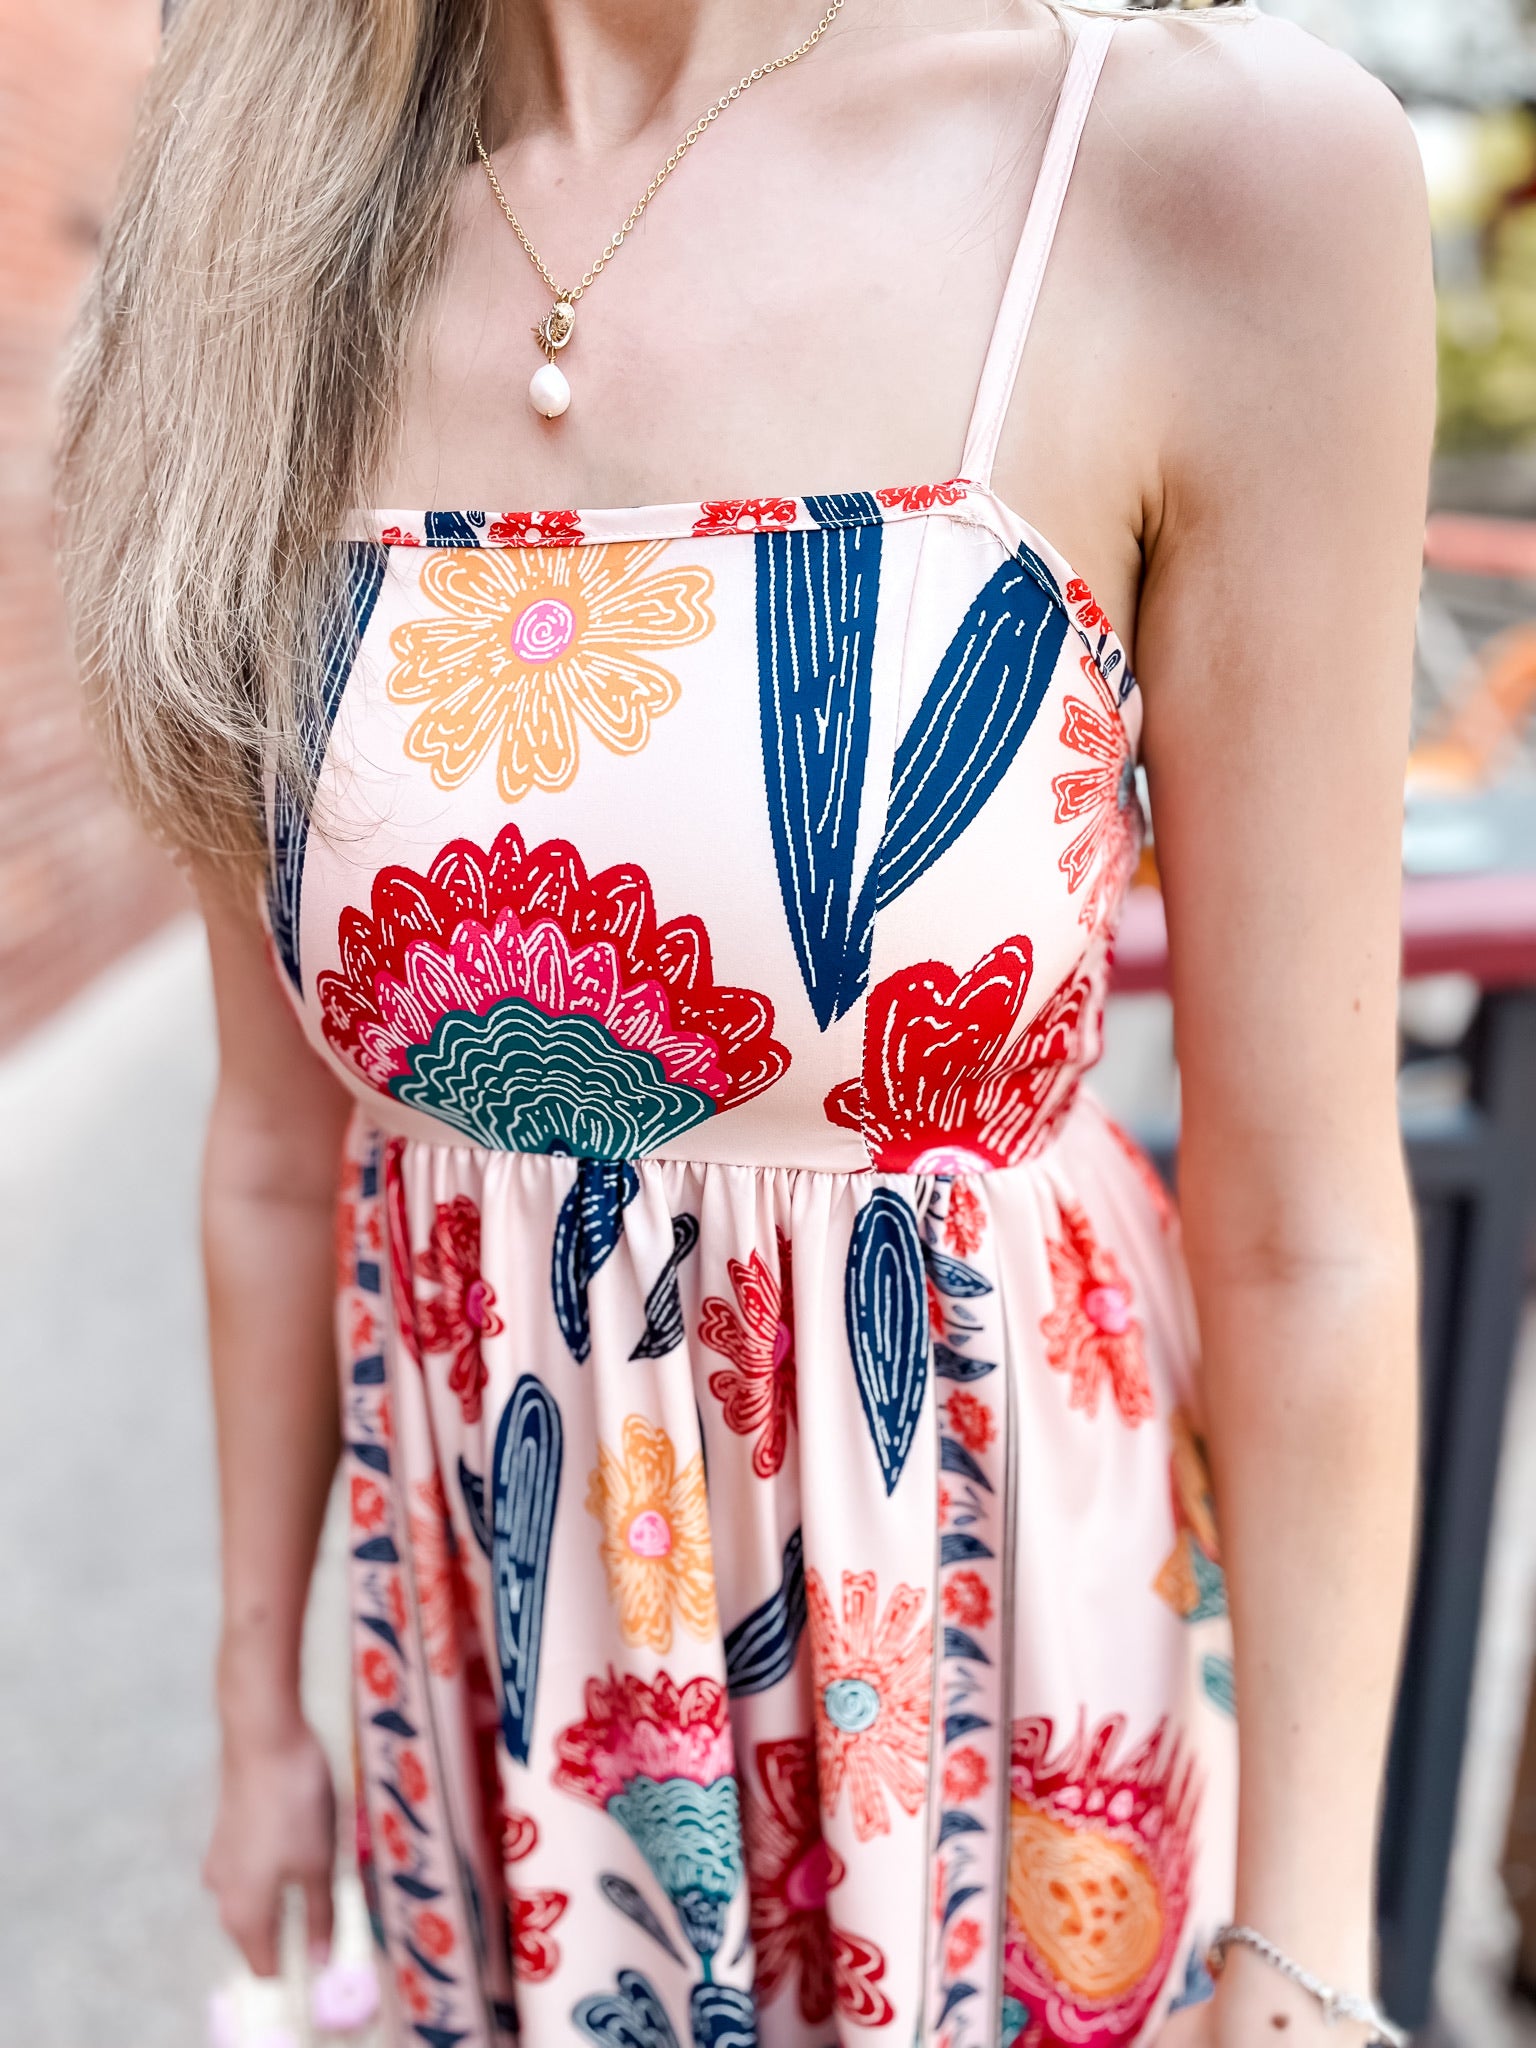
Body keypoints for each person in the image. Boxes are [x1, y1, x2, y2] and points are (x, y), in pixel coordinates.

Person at [56, 0, 1435, 2041]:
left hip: (993, 1720)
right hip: (505, 1732)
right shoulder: (256, 243)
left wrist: (1303, 1952)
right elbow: (279, 1150)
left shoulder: (1191, 176)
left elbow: (1304, 1213)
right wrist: (260, 1705)